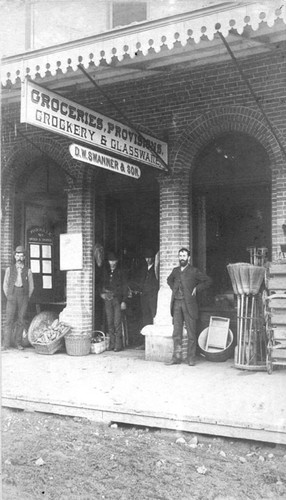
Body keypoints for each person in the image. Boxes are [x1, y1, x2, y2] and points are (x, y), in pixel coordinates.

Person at [166, 247, 211, 366]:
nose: (182, 258)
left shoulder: (194, 271)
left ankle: (191, 358)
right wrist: (174, 289)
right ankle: (176, 357)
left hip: (189, 305)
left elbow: (207, 281)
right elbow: (169, 280)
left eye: (184, 256)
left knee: (191, 332)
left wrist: (196, 289)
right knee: (176, 332)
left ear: (188, 258)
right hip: (176, 304)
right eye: (180, 256)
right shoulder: (175, 271)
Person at [2, 245, 34, 350]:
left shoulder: (28, 271)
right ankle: (6, 344)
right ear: (14, 257)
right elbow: (5, 285)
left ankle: (18, 343)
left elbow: (31, 287)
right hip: (12, 295)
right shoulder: (9, 270)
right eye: (17, 255)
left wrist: (26, 297)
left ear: (24, 258)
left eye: (21, 256)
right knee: (9, 320)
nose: (19, 258)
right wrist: (9, 296)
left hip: (23, 296)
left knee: (21, 319)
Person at [101, 251, 128, 352]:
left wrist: (124, 301)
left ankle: (118, 345)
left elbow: (125, 287)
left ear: (117, 261)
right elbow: (102, 286)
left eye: (114, 260)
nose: (112, 263)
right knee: (110, 322)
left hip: (117, 300)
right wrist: (102, 294)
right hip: (108, 300)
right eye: (110, 261)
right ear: (108, 262)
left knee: (117, 322)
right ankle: (111, 345)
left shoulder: (121, 272)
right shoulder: (106, 273)